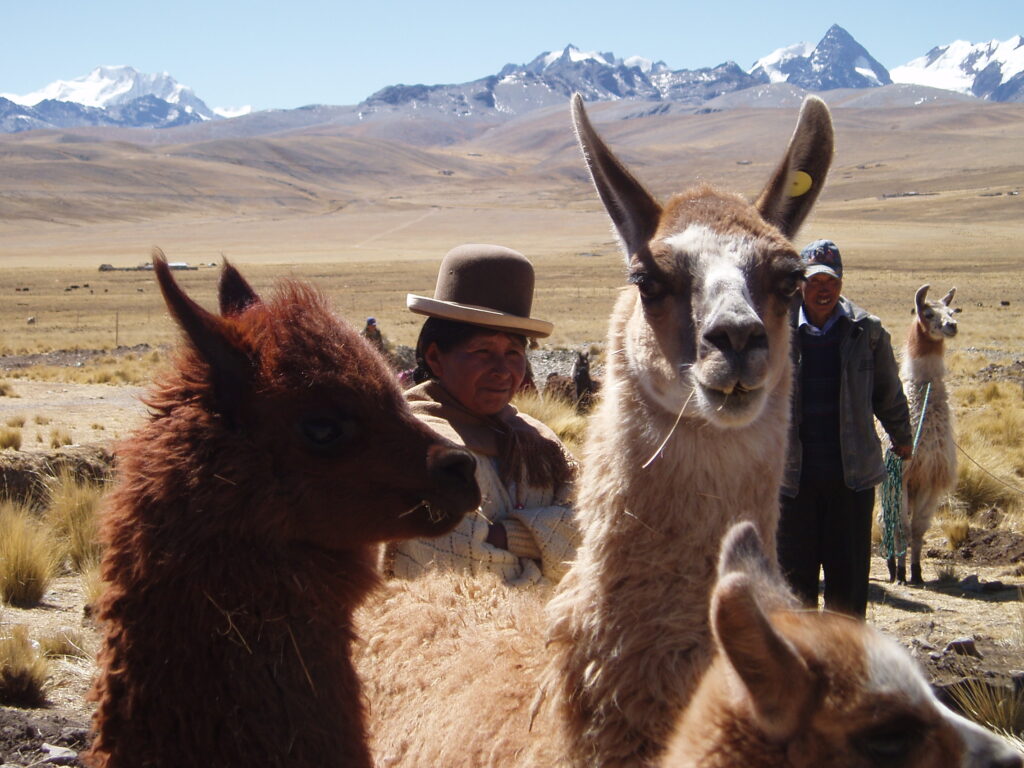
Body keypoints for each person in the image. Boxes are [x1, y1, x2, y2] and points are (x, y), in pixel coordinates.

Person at [383, 244, 579, 586]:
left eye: (514, 352)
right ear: (435, 357)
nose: (503, 370)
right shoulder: (415, 449)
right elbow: (462, 568)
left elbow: (591, 532)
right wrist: (548, 562)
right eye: (482, 351)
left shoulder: (540, 442)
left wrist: (506, 535)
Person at [778, 240, 913, 618]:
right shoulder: (776, 332)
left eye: (831, 281)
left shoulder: (866, 332)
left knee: (849, 583)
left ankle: (845, 668)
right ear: (799, 284)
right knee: (793, 583)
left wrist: (902, 437)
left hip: (850, 479)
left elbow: (888, 392)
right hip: (792, 481)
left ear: (841, 283)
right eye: (815, 280)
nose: (824, 289)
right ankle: (801, 667)